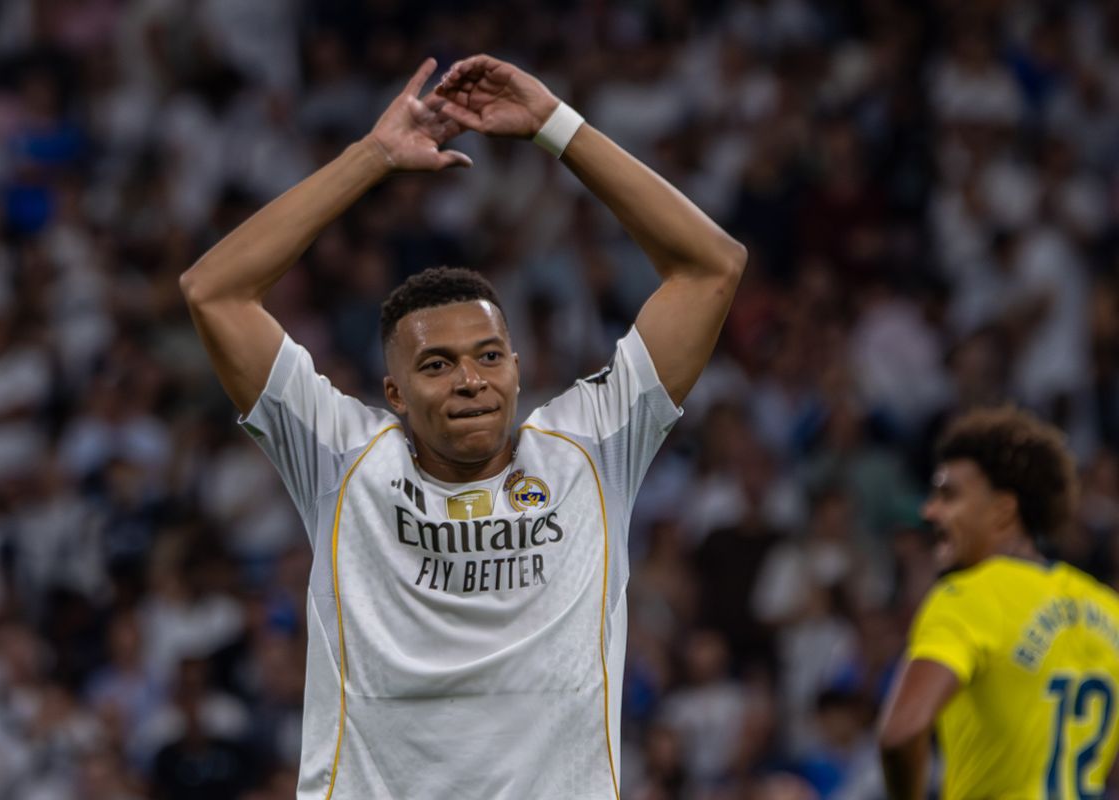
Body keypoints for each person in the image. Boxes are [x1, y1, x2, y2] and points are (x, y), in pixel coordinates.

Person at [179, 54, 746, 799]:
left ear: (517, 367)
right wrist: (373, 156)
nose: (471, 379)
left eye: (488, 356)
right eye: (437, 365)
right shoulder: (341, 457)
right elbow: (213, 291)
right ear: (394, 392)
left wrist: (555, 126)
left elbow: (712, 266)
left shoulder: (591, 448)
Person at [877, 407, 1119, 798]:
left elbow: (901, 733)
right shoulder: (1107, 608)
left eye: (949, 495)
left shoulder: (968, 597)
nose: (930, 510)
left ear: (1003, 510)